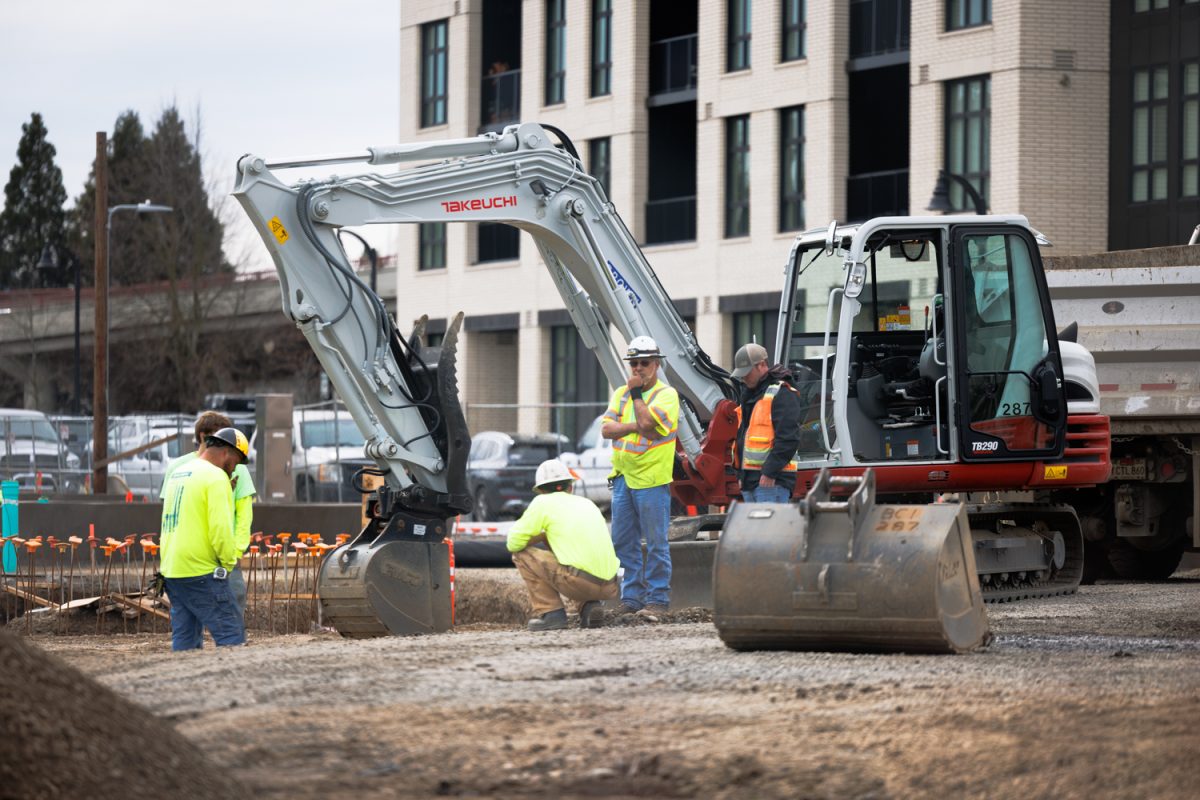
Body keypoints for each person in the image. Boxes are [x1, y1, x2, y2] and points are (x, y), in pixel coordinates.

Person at [602, 335, 679, 618]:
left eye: (644, 363)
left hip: (651, 481)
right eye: (633, 363)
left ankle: (658, 599)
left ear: (656, 365)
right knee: (623, 542)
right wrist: (637, 426)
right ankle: (632, 597)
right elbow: (607, 430)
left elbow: (650, 424)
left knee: (656, 543)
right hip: (623, 479)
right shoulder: (620, 393)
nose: (637, 369)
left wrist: (636, 400)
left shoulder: (666, 395)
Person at [159, 427, 250, 651]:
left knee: (185, 642)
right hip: (201, 571)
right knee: (231, 636)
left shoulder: (179, 472)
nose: (235, 468)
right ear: (227, 452)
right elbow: (220, 529)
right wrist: (228, 563)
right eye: (236, 461)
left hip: (172, 571)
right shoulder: (216, 477)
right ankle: (233, 685)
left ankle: (185, 685)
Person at [506, 459, 621, 631]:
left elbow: (513, 543)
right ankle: (590, 607)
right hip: (611, 586)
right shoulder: (587, 504)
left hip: (578, 583)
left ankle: (551, 614)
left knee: (521, 555)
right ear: (570, 487)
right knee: (576, 559)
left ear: (541, 491)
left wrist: (542, 536)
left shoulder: (542, 503)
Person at [730, 342, 803, 503]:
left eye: (747, 372)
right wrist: (741, 475)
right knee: (758, 529)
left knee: (770, 528)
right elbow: (744, 437)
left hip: (772, 482)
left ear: (762, 365)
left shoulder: (782, 393)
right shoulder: (751, 395)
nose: (743, 377)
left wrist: (770, 472)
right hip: (752, 482)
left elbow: (789, 438)